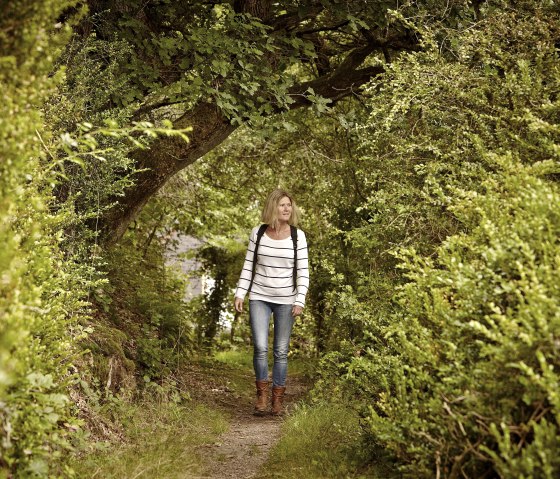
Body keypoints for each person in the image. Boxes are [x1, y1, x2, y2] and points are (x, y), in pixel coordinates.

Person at [234, 189, 309, 416]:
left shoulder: (298, 236)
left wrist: (300, 300)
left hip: (286, 300)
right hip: (259, 296)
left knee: (280, 351)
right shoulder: (258, 233)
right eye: (282, 205)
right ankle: (262, 396)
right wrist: (240, 292)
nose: (287, 209)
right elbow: (249, 265)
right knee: (260, 346)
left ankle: (277, 399)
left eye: (289, 205)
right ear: (272, 207)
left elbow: (303, 272)